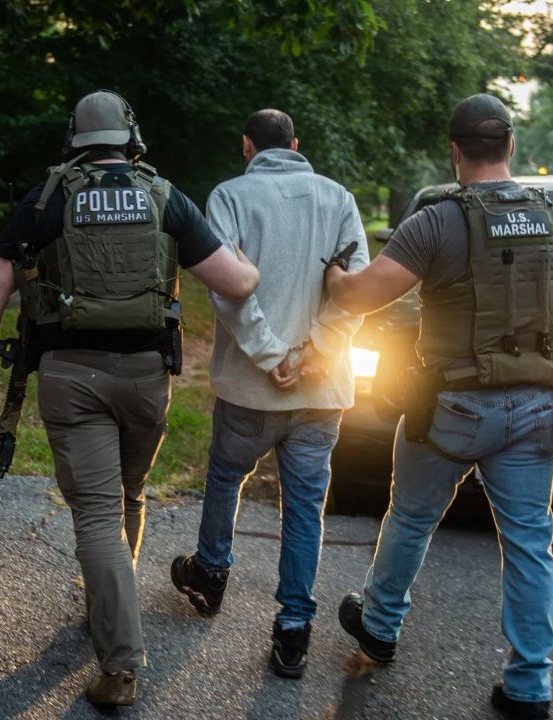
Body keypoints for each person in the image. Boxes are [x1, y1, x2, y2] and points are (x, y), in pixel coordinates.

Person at [0, 90, 260, 708]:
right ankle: (112, 610)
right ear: (131, 137)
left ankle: (121, 662)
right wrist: (252, 267)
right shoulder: (163, 195)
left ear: (74, 139)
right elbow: (233, 281)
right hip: (148, 376)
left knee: (96, 514)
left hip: (72, 376)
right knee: (127, 494)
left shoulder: (49, 198)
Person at [322, 94, 553, 720]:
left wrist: (336, 277)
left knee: (412, 515)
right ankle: (529, 686)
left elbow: (363, 297)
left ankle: (381, 627)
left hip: (452, 408)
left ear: (453, 150)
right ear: (511, 149)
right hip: (536, 406)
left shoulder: (437, 221)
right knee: (529, 541)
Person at [169, 109, 370, 678]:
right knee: (305, 507)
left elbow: (228, 290)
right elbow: (355, 291)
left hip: (251, 390)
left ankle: (209, 574)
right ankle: (293, 629)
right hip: (321, 391)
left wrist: (271, 354)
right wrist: (315, 352)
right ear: (297, 145)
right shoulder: (339, 199)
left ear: (247, 146)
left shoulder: (229, 197)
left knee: (226, 476)